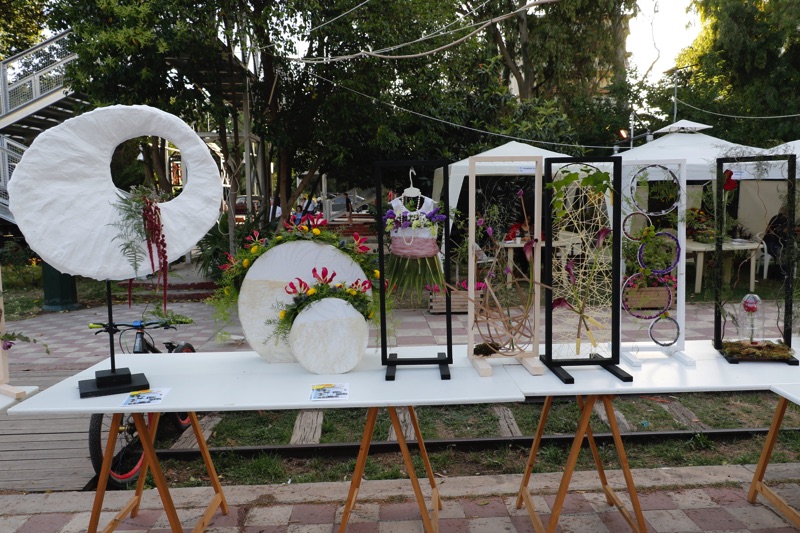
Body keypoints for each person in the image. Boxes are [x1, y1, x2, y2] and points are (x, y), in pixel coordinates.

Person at [763, 205, 799, 274]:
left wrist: (795, 230)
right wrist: (793, 229)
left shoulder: (787, 220)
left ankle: (790, 272)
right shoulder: (777, 219)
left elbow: (794, 229)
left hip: (780, 244)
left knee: (794, 252)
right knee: (782, 252)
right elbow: (781, 231)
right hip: (770, 244)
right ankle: (781, 273)